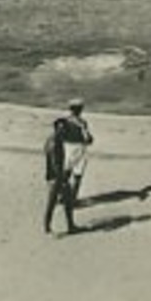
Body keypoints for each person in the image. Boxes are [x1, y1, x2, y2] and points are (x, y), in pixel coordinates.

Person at [43, 99, 93, 233]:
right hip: (57, 178)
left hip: (54, 177)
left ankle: (53, 227)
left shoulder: (51, 140)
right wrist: (62, 179)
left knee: (56, 203)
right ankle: (65, 226)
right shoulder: (56, 143)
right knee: (55, 202)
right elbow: (55, 162)